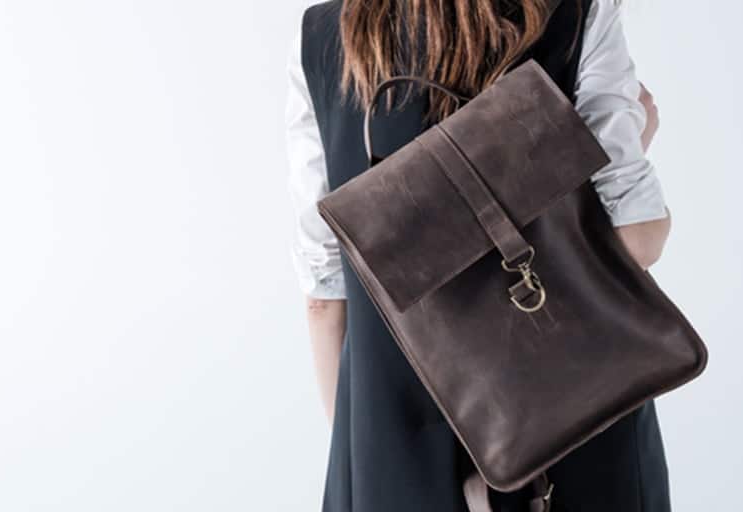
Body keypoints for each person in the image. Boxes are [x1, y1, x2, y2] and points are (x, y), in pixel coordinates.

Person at [286, 1, 673, 510]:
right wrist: (637, 133)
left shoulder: (323, 36)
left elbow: (325, 293)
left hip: (391, 448)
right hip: (572, 424)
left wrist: (371, 442)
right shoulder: (573, 13)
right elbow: (637, 237)